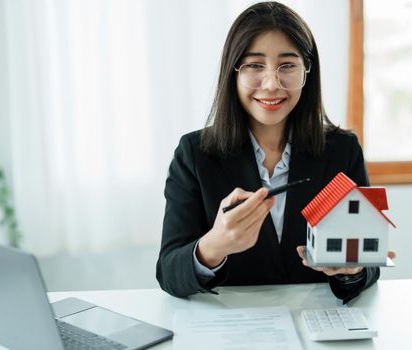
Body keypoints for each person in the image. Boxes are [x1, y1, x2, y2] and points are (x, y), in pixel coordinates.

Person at [156, 1, 395, 304]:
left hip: (316, 327)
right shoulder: (194, 154)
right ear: (233, 72)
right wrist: (213, 246)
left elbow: (367, 263)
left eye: (287, 66)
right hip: (233, 328)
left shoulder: (342, 150)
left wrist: (351, 270)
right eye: (255, 65)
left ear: (307, 71)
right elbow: (168, 272)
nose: (271, 84)